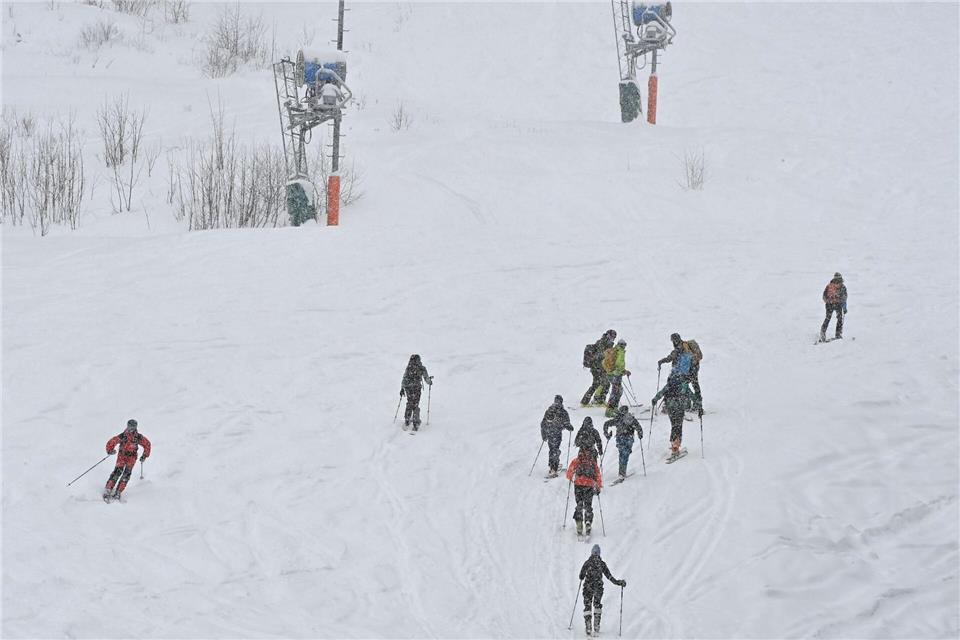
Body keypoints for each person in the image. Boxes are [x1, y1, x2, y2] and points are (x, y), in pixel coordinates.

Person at [578, 544, 626, 636]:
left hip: (588, 587)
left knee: (587, 605)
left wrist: (582, 576)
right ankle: (596, 625)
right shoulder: (602, 564)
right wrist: (619, 583)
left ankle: (588, 626)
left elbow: (581, 575)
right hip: (598, 587)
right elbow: (609, 576)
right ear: (599, 553)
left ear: (591, 552)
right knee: (597, 605)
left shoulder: (587, 563)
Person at [103, 419, 151, 502]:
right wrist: (110, 450)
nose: (131, 429)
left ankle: (118, 492)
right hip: (122, 456)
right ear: (127, 426)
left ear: (136, 427)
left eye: (133, 427)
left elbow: (147, 444)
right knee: (117, 472)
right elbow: (112, 442)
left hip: (132, 458)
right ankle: (108, 489)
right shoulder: (123, 436)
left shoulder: (138, 437)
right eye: (129, 427)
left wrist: (144, 455)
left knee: (126, 474)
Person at [657, 333, 703, 413]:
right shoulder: (685, 345)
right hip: (694, 369)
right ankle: (698, 406)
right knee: (694, 386)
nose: (673, 342)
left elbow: (671, 357)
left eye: (673, 341)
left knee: (677, 386)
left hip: (686, 371)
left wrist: (662, 361)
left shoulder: (679, 348)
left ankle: (673, 405)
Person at [565, 447, 603, 537]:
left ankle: (579, 523)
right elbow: (597, 475)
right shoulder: (592, 463)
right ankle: (588, 521)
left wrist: (571, 478)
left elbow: (569, 473)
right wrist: (598, 486)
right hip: (589, 485)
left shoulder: (577, 461)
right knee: (588, 505)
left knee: (579, 504)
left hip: (578, 484)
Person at [652, 375, 689, 460]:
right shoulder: (683, 385)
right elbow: (690, 395)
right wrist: (698, 404)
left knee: (674, 425)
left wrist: (654, 400)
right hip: (680, 408)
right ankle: (676, 446)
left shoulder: (669, 385)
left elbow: (661, 393)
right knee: (678, 426)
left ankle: (673, 444)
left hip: (670, 408)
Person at [603, 406, 643, 480]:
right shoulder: (632, 419)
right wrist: (640, 434)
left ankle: (621, 472)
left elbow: (606, 424)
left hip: (620, 438)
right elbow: (639, 427)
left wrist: (606, 434)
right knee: (625, 454)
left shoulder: (618, 419)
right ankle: (622, 472)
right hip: (629, 439)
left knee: (622, 454)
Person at [581, 330, 617, 406]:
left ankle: (600, 401)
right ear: (607, 335)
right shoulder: (601, 343)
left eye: (614, 338)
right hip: (596, 368)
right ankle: (584, 402)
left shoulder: (609, 344)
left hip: (602, 368)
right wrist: (605, 355)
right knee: (596, 384)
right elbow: (598, 357)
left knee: (605, 384)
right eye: (611, 337)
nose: (612, 339)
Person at [540, 395, 573, 477]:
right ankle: (554, 468)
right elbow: (566, 423)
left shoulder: (549, 410)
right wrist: (570, 427)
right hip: (557, 433)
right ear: (561, 401)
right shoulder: (562, 411)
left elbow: (543, 423)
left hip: (549, 433)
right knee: (556, 449)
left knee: (552, 449)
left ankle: (552, 466)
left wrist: (544, 434)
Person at [400, 354, 433, 430]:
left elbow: (404, 378)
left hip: (408, 388)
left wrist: (402, 388)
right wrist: (430, 382)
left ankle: (407, 419)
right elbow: (426, 379)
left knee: (409, 402)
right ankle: (416, 422)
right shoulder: (421, 368)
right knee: (415, 404)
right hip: (416, 388)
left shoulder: (409, 368)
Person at [603, 339, 631, 417]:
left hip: (612, 374)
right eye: (624, 345)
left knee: (618, 391)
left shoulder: (615, 351)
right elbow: (619, 364)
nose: (625, 346)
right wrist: (622, 371)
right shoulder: (620, 351)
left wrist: (623, 371)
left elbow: (617, 365)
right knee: (615, 392)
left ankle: (614, 407)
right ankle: (609, 411)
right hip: (615, 375)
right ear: (622, 345)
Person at [820, 272, 848, 341]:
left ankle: (823, 333)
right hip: (836, 304)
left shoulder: (829, 286)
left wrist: (828, 301)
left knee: (829, 318)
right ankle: (837, 334)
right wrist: (844, 308)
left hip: (831, 304)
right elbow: (844, 298)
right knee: (838, 319)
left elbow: (824, 296)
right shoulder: (842, 287)